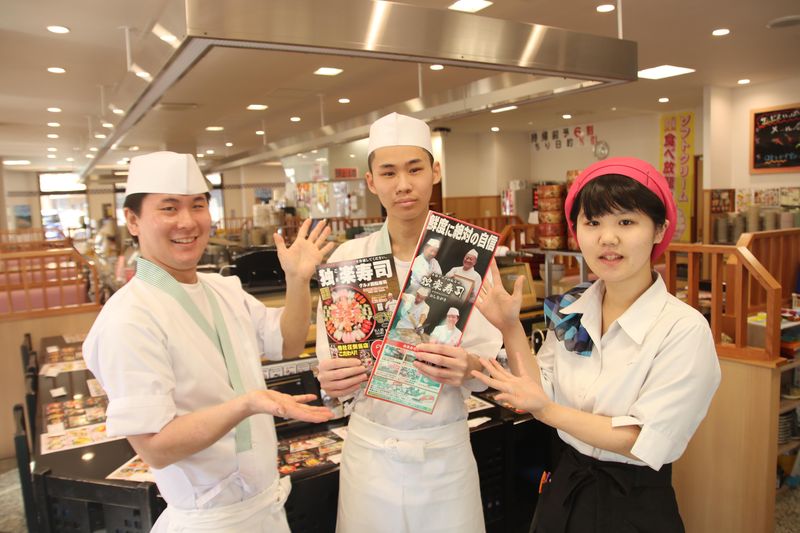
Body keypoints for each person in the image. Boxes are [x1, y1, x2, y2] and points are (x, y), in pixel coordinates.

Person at [83, 151, 335, 533]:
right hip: (208, 521)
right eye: (169, 208)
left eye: (197, 205)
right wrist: (247, 403)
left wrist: (297, 280)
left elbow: (286, 343)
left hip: (265, 508)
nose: (187, 222)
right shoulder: (128, 318)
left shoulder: (222, 288)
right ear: (132, 220)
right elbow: (155, 447)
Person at [471, 157, 721, 533]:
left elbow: (642, 440)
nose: (607, 238)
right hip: (564, 487)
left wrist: (547, 411)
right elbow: (540, 388)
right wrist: (510, 327)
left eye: (626, 222)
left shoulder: (683, 329)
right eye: (593, 223)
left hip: (633, 503)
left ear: (659, 229)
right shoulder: (572, 308)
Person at [314, 112, 503, 533]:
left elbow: (493, 364)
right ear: (371, 182)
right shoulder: (349, 259)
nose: (403, 184)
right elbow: (331, 365)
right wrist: (331, 378)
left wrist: (470, 367)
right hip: (369, 451)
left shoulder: (468, 261)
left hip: (444, 451)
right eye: (389, 172)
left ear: (435, 172)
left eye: (415, 169)